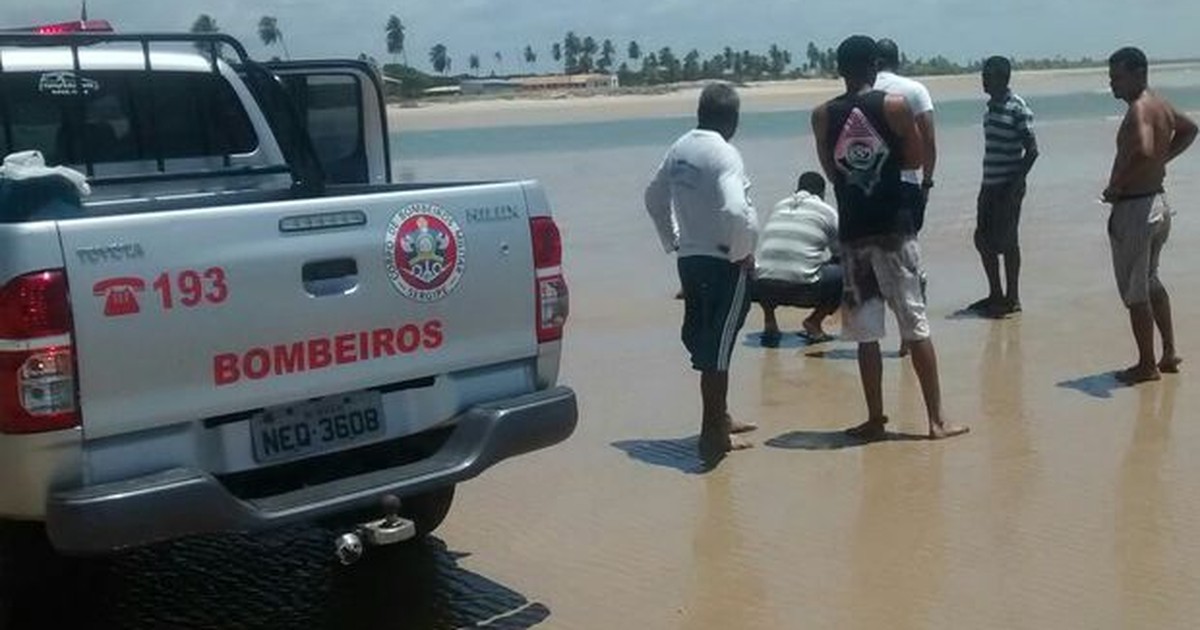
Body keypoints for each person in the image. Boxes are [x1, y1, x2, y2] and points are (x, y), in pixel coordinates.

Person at [810, 35, 968, 440]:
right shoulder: (895, 106)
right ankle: (935, 420)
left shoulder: (823, 115)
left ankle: (875, 419)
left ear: (840, 69)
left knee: (865, 331)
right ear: (874, 66)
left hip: (854, 231)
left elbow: (831, 171)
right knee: (914, 322)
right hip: (894, 228)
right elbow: (914, 159)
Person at [645, 82, 760, 459]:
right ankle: (712, 436)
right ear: (733, 119)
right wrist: (743, 254)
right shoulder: (725, 154)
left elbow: (653, 196)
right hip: (722, 261)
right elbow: (734, 210)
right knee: (719, 350)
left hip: (690, 260)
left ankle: (720, 417)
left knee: (710, 342)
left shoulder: (679, 148)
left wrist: (673, 240)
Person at [1103, 46, 1196, 384]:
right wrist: (1163, 159)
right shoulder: (1161, 104)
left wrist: (1117, 184)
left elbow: (1143, 150)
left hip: (1137, 208)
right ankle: (1168, 351)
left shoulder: (1140, 109)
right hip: (1157, 203)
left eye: (1117, 77)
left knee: (1135, 291)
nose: (1112, 83)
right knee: (1151, 278)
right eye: (1110, 77)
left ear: (1139, 74)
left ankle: (1147, 365)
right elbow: (1189, 129)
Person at [873, 39, 935, 355]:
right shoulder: (913, 90)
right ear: (898, 60)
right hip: (906, 186)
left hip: (869, 189)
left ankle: (879, 335)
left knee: (874, 263)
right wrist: (927, 182)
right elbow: (928, 142)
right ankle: (908, 336)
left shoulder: (864, 92)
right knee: (906, 263)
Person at [968, 56, 1039, 317]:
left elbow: (1032, 151)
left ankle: (1012, 297)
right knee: (982, 239)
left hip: (1007, 186)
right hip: (989, 183)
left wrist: (1016, 182)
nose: (983, 80)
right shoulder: (991, 108)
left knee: (1008, 241)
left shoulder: (1017, 108)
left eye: (987, 76)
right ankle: (996, 294)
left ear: (1001, 78)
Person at [752, 171, 842, 347]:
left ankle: (770, 322)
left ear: (798, 188)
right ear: (822, 193)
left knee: (771, 265)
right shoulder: (827, 211)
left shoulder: (779, 206)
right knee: (848, 271)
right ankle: (814, 322)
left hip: (761, 287)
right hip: (803, 291)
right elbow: (841, 255)